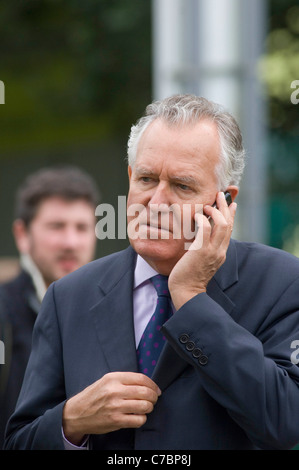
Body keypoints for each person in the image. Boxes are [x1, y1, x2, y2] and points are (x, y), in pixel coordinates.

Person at [4, 94, 299, 450]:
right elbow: (19, 441)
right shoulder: (69, 296)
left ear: (225, 201)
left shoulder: (281, 282)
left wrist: (191, 299)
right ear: (130, 177)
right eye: (146, 179)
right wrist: (72, 420)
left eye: (182, 185)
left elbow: (286, 421)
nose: (157, 203)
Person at [0, 165, 100, 449]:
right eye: (56, 226)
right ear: (22, 235)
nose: (70, 242)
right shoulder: (4, 315)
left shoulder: (115, 312)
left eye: (81, 228)